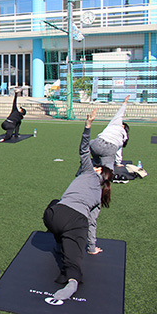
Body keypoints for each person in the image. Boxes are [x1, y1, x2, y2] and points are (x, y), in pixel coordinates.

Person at [42, 108, 113, 302]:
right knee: (72, 262)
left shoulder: (88, 171)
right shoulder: (99, 196)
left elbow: (83, 149)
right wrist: (91, 247)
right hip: (76, 222)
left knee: (54, 202)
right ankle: (72, 282)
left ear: (98, 170)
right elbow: (92, 223)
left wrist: (88, 126)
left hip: (54, 216)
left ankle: (59, 243)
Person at [89, 95, 130, 170]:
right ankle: (105, 170)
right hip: (110, 148)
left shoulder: (115, 123)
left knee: (91, 143)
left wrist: (125, 103)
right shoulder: (123, 137)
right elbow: (118, 151)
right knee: (108, 168)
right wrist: (118, 163)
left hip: (97, 144)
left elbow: (120, 113)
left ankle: (96, 163)